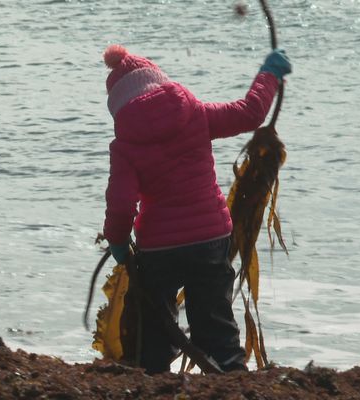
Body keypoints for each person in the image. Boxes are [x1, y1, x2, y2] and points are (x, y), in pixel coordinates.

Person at [101, 44, 291, 374]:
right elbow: (250, 112)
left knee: (155, 330)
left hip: (158, 249)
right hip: (210, 239)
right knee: (215, 325)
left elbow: (120, 205)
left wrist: (117, 241)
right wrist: (269, 73)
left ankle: (156, 377)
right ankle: (232, 378)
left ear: (119, 105)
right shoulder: (196, 115)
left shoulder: (125, 145)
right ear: (160, 82)